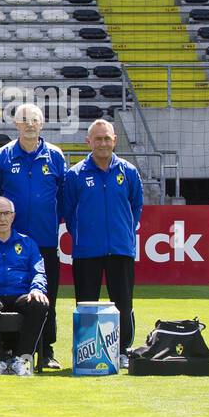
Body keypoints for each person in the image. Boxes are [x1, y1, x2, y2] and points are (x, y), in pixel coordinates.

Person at [62, 118, 144, 367]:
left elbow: (136, 206)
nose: (103, 143)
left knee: (123, 302)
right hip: (87, 251)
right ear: (88, 141)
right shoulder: (75, 174)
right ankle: (87, 353)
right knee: (86, 303)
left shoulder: (128, 172)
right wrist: (82, 237)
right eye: (98, 138)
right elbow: (69, 210)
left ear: (115, 140)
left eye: (107, 138)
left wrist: (125, 234)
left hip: (120, 249)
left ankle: (123, 351)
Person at [0, 103, 68, 369]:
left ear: (42, 123)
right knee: (12, 294)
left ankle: (46, 351)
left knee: (47, 297)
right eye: (23, 119)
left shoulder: (56, 156)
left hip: (45, 242)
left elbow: (63, 197)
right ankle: (12, 349)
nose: (29, 124)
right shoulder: (2, 156)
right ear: (15, 124)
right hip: (10, 243)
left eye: (34, 119)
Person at [0, 197, 51, 376]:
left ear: (13, 217)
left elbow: (39, 271)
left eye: (6, 213)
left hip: (21, 294)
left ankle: (22, 360)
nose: (2, 218)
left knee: (40, 304)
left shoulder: (28, 243)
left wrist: (36, 288)